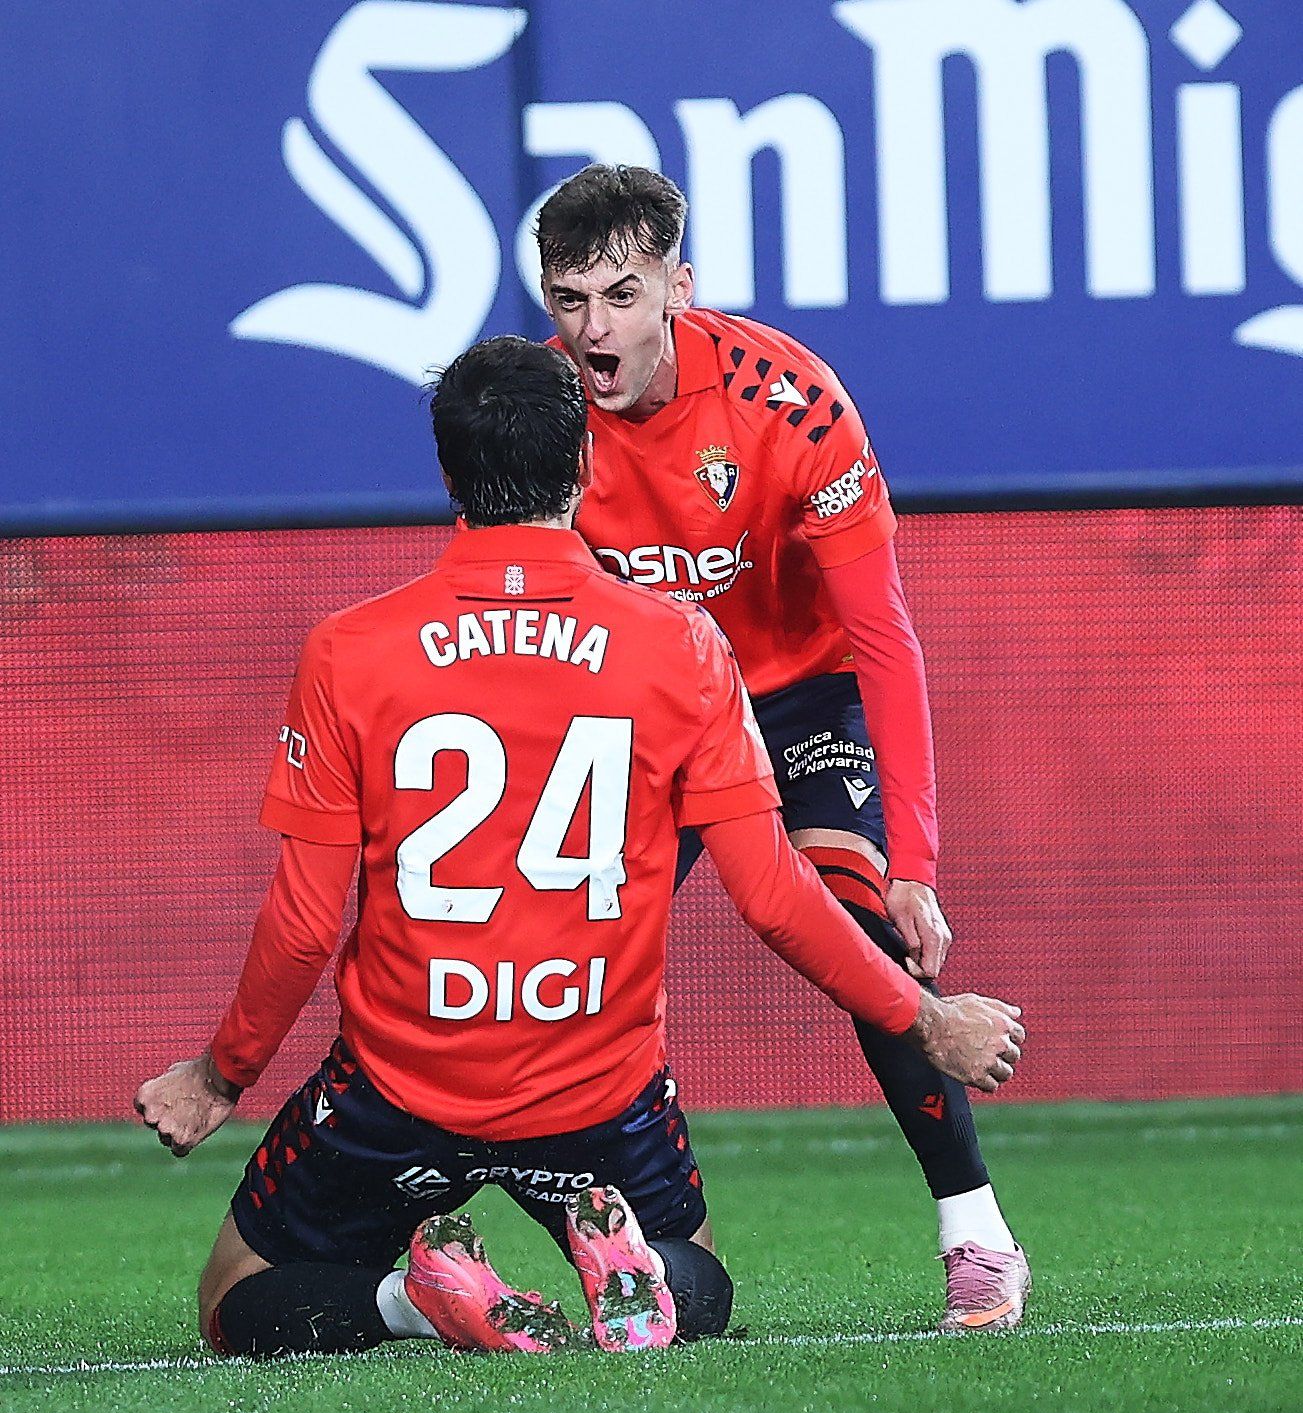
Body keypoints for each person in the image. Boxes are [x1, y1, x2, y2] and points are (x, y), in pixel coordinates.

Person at [134, 337, 1025, 1359]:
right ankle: (634, 1267)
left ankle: (412, 1299)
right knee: (695, 1284)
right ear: (587, 465)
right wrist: (926, 1016)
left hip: (404, 1083)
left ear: (447, 475)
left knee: (235, 1298)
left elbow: (301, 925)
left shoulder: (348, 650)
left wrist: (221, 1075)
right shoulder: (683, 645)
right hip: (597, 1090)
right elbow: (776, 898)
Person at [537, 165, 1031, 1331]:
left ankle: (977, 1236)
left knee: (865, 921)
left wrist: (914, 861)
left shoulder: (791, 403)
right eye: (569, 301)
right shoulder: (540, 419)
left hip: (799, 698)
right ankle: (614, 1247)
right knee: (552, 964)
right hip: (644, 716)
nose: (594, 332)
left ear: (679, 288)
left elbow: (883, 638)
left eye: (621, 295)